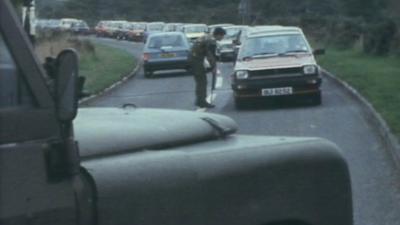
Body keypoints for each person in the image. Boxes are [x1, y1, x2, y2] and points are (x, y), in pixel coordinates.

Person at [190, 27, 226, 108]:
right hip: (196, 60)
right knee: (202, 81)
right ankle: (201, 101)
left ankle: (199, 100)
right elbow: (210, 55)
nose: (223, 38)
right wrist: (213, 67)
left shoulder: (207, 37)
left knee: (200, 81)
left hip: (194, 58)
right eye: (222, 36)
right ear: (219, 35)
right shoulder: (211, 41)